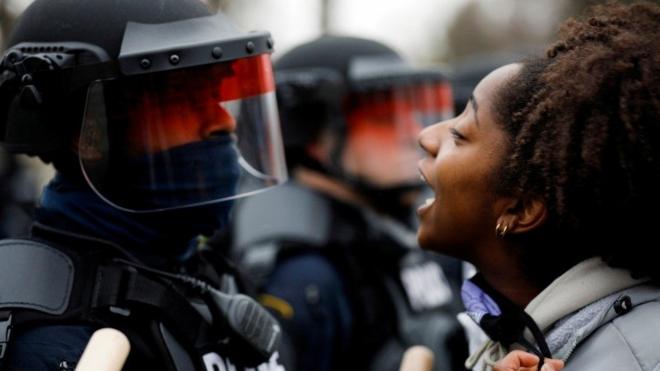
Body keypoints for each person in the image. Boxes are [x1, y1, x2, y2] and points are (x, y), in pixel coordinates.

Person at [0, 0, 289, 370]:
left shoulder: (205, 275)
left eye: (215, 95)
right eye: (184, 95)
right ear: (89, 133)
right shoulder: (49, 340)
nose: (224, 121)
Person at [416, 1, 660, 370]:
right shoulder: (523, 343)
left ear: (521, 209)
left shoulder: (640, 357)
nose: (426, 137)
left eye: (459, 133)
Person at [221, 36, 466, 371]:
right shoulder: (304, 277)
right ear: (314, 134)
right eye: (383, 117)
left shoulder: (391, 228)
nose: (416, 134)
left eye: (412, 111)